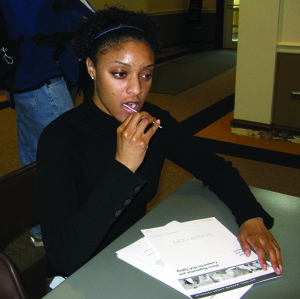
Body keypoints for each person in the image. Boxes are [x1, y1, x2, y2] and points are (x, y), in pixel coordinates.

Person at [37, 6, 282, 279]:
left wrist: (251, 216)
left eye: (146, 74)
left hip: (138, 256)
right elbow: (63, 257)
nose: (136, 90)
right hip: (84, 273)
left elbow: (215, 168)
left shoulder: (153, 122)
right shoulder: (60, 138)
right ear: (92, 68)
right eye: (120, 73)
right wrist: (124, 166)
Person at [0, 0, 94, 246]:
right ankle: (68, 235)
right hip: (39, 77)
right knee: (67, 158)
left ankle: (43, 229)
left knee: (35, 156)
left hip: (26, 73)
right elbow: (34, 23)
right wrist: (77, 20)